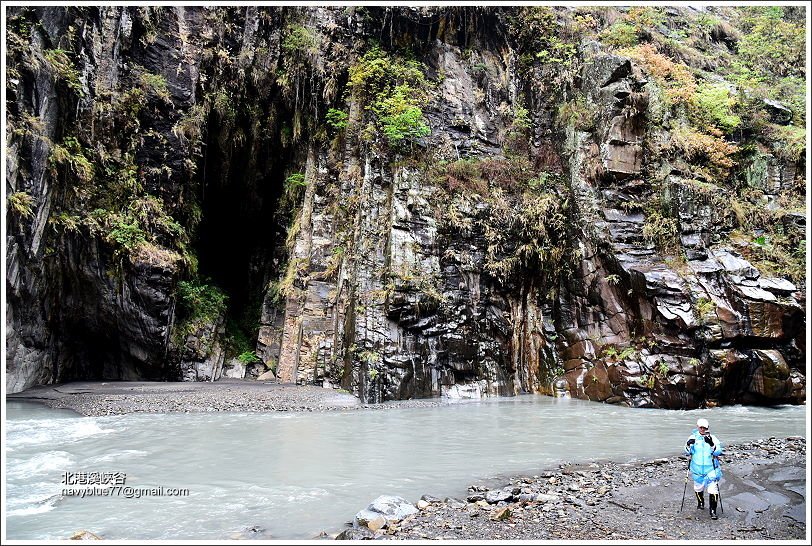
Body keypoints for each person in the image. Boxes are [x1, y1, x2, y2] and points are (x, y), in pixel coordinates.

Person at [684, 418, 723, 519]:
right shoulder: (692, 437)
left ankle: (713, 511)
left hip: (711, 469)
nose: (702, 429)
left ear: (708, 428)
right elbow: (687, 452)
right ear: (697, 427)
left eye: (704, 428)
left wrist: (711, 444)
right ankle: (700, 503)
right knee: (698, 487)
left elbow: (718, 451)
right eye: (701, 427)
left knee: (713, 489)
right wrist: (688, 445)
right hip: (697, 468)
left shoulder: (713, 438)